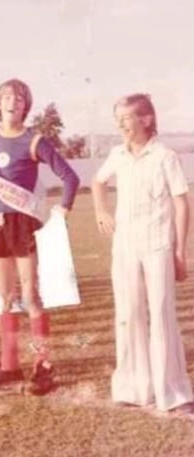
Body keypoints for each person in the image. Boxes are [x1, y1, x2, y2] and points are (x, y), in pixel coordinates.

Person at [0, 79, 80, 395]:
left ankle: (42, 366)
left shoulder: (34, 140)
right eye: (7, 97)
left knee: (31, 296)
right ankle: (9, 366)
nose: (12, 102)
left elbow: (70, 177)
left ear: (26, 106)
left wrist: (63, 209)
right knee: (5, 297)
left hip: (23, 224)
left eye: (19, 99)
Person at [92, 93, 194, 415]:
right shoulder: (118, 154)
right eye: (118, 118)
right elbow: (97, 181)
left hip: (157, 246)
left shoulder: (165, 157)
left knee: (161, 317)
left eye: (127, 117)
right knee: (129, 314)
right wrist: (101, 210)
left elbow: (181, 203)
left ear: (147, 119)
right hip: (124, 247)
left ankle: (173, 394)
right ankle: (133, 388)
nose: (121, 124)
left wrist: (180, 252)